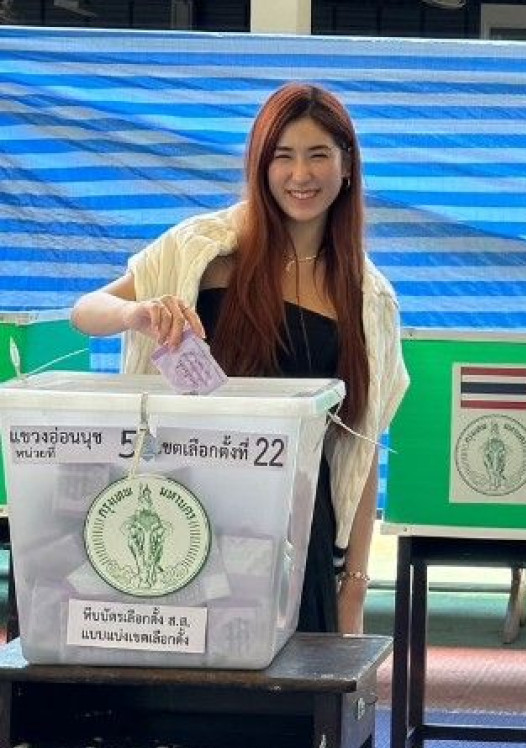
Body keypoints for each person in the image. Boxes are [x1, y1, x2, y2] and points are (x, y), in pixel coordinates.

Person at [71, 83, 409, 635]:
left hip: (300, 529)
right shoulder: (202, 249)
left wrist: (353, 585)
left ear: (347, 166)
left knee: (296, 683)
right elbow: (86, 310)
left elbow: (362, 443)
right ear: (260, 165)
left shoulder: (368, 298)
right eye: (283, 156)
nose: (300, 175)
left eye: (318, 155)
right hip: (188, 506)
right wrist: (138, 313)